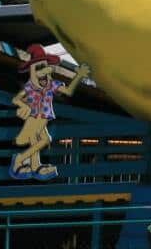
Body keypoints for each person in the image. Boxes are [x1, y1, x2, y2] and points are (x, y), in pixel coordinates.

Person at [9, 45, 91, 181]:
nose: (43, 72)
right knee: (41, 140)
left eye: (44, 67)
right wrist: (24, 106)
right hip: (34, 117)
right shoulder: (30, 86)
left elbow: (69, 91)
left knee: (42, 140)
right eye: (38, 68)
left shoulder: (51, 84)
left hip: (43, 117)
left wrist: (79, 76)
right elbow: (16, 99)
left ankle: (31, 164)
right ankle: (23, 161)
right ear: (32, 71)